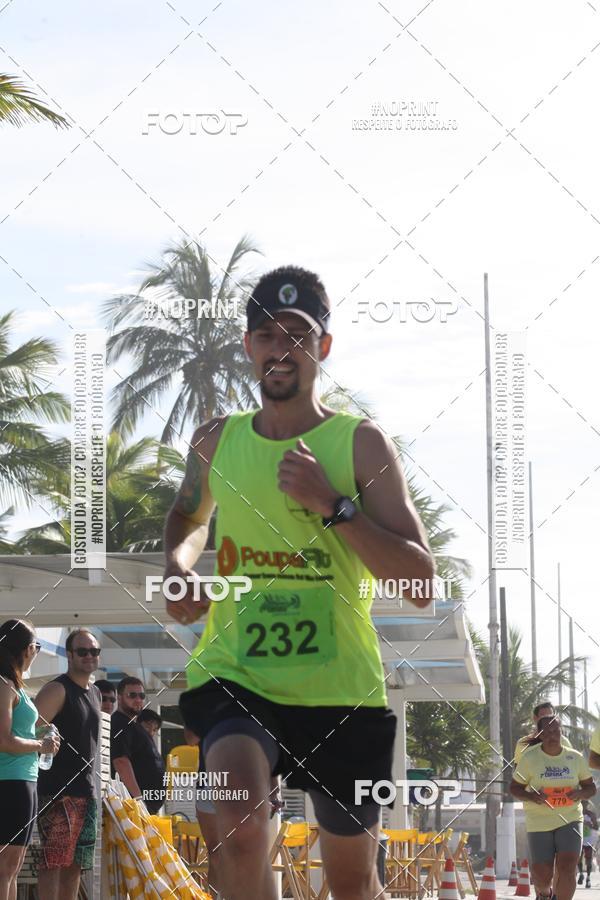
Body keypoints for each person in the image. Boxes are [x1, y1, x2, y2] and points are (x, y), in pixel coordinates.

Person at [166, 266, 435, 900]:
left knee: (351, 883)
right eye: (266, 334)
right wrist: (178, 566)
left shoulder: (362, 445)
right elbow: (186, 515)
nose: (280, 348)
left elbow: (420, 580)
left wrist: (334, 506)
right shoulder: (214, 442)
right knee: (235, 821)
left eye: (297, 333)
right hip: (237, 675)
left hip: (341, 689)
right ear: (247, 346)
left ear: (324, 347)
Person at [34, 629, 102, 900]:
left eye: (94, 651)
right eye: (83, 651)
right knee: (54, 863)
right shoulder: (57, 689)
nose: (89, 656)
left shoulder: (95, 693)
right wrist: (46, 738)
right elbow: (29, 731)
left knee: (76, 865)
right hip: (57, 793)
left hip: (86, 791)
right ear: (69, 655)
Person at [0, 619, 60, 900]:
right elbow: (4, 741)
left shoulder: (16, 686)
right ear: (25, 649)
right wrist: (41, 745)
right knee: (5, 867)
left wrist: (37, 734)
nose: (37, 651)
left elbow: (15, 732)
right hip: (10, 781)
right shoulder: (5, 685)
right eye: (36, 645)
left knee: (12, 867)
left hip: (24, 779)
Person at [510, 712, 596, 900]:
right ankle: (545, 894)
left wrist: (580, 793)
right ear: (539, 735)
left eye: (556, 731)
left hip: (570, 819)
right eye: (547, 732)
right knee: (542, 875)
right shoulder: (530, 759)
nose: (552, 735)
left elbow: (590, 788)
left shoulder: (574, 758)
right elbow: (514, 788)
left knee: (567, 868)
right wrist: (532, 796)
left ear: (561, 732)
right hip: (539, 822)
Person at [111, 677, 165, 814]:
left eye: (141, 696)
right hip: (133, 807)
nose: (138, 699)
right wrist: (139, 800)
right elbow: (120, 761)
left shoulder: (131, 724)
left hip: (142, 807)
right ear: (119, 697)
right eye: (132, 695)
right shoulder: (120, 723)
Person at [578, 801, 598, 888]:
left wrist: (590, 825)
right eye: (582, 803)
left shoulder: (591, 814)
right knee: (578, 858)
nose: (584, 805)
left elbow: (596, 827)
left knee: (588, 859)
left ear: (587, 805)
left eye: (585, 804)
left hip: (589, 840)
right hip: (578, 838)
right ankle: (581, 874)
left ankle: (588, 878)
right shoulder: (576, 814)